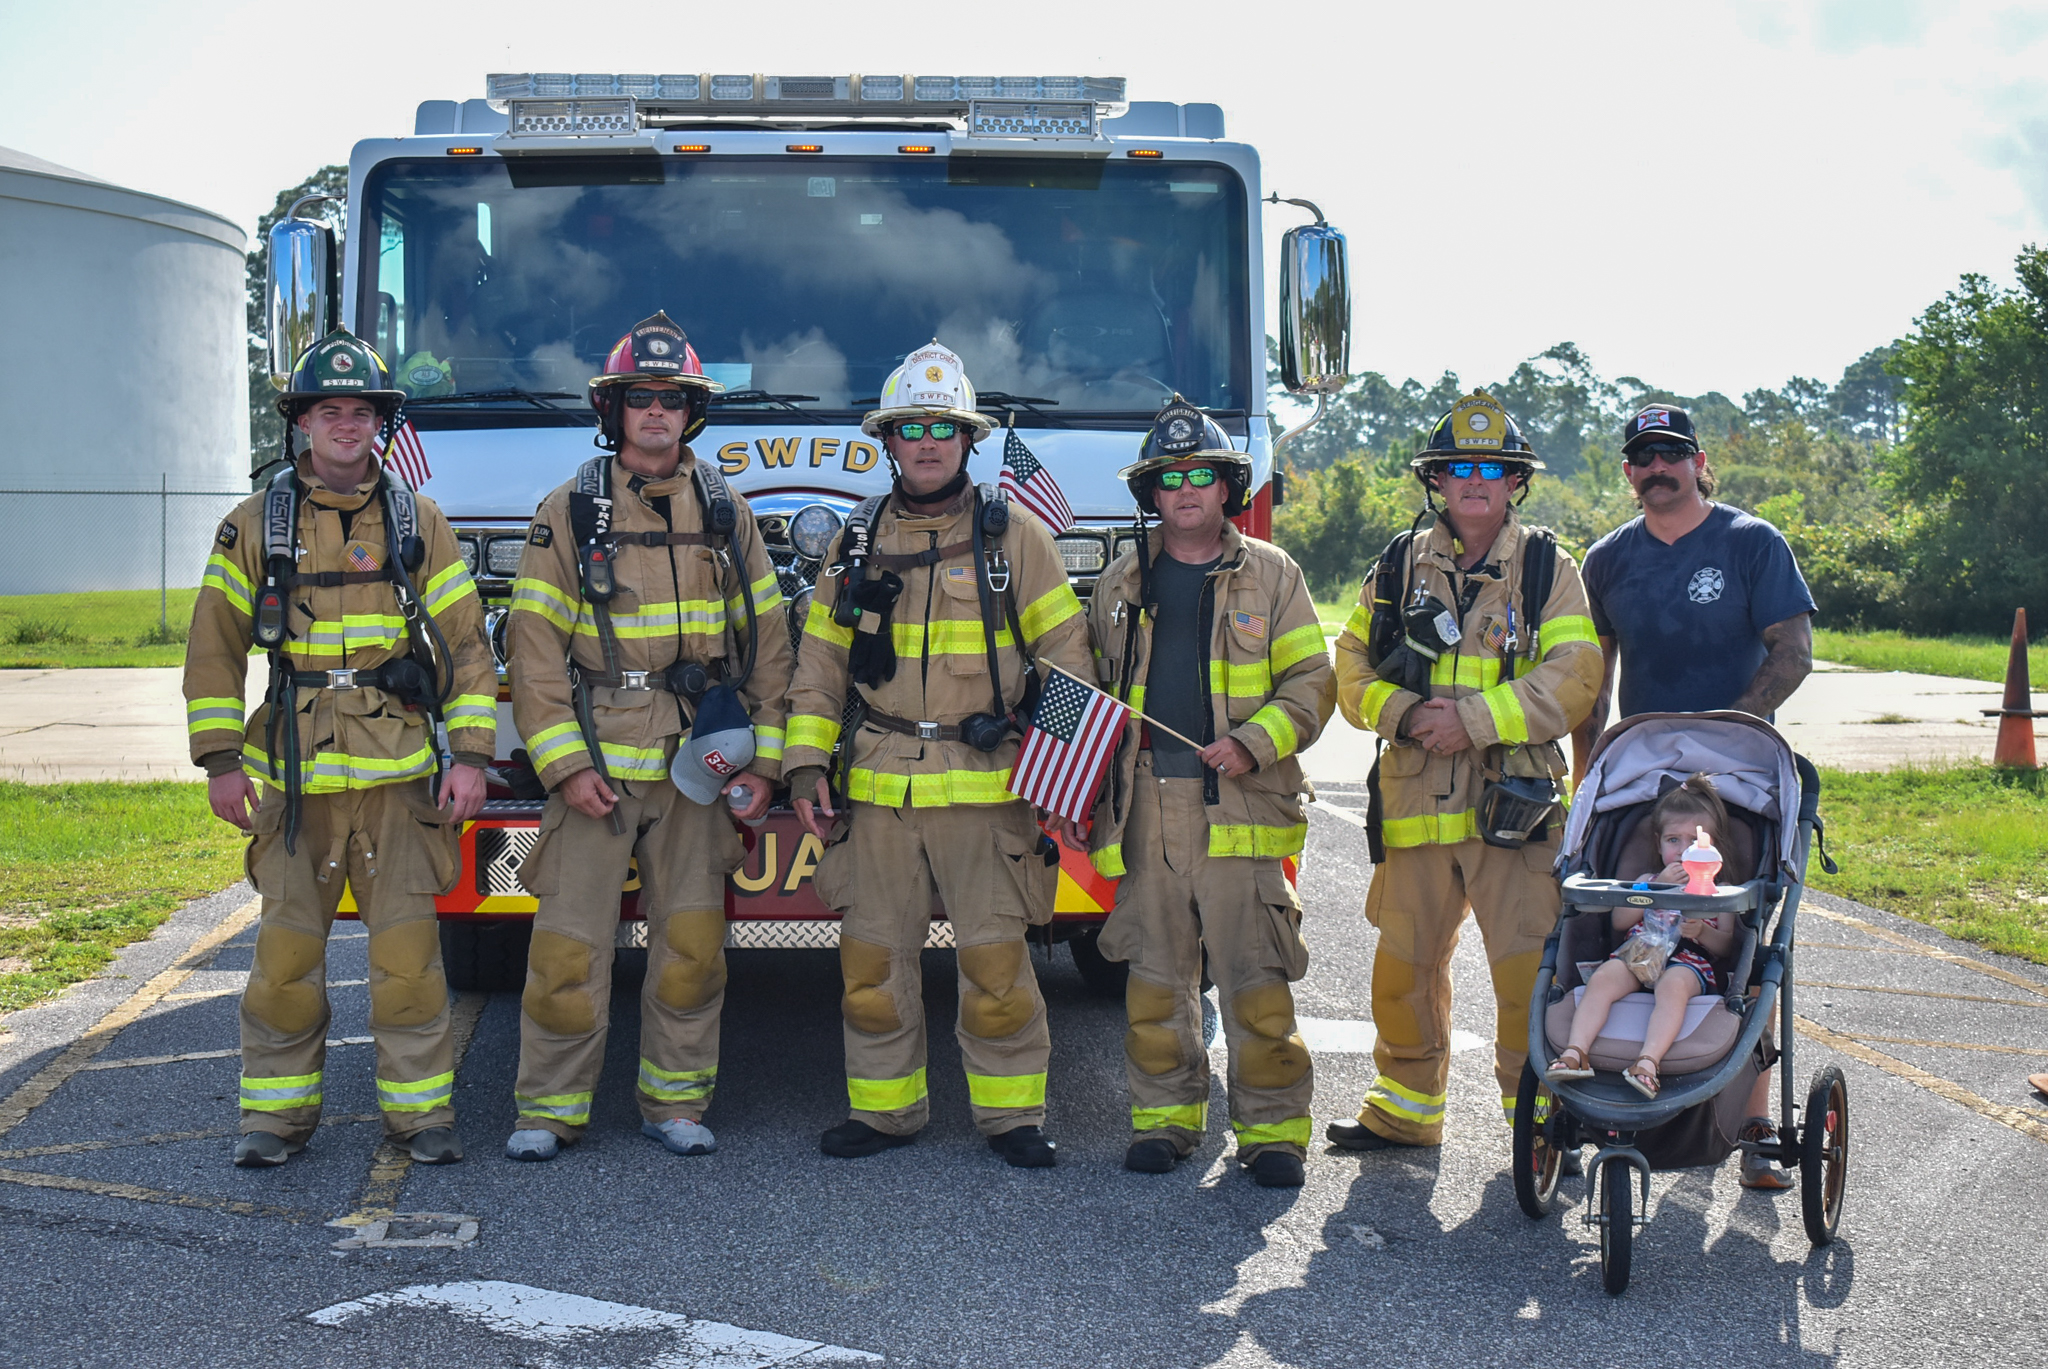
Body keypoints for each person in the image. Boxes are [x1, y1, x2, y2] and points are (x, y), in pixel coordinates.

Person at [186, 328, 497, 1168]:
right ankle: (275, 1120)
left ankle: (421, 1117)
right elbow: (213, 647)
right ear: (302, 422)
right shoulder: (254, 524)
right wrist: (219, 761)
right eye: (331, 410)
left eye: (362, 411)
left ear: (380, 424)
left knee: (408, 959)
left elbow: (469, 645)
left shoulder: (414, 519)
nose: (347, 426)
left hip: (400, 782)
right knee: (286, 958)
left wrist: (469, 755)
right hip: (295, 779)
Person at [782, 341, 1092, 1167]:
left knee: (995, 964)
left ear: (967, 439)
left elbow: (1067, 655)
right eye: (911, 427)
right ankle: (885, 1112)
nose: (926, 442)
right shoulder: (854, 539)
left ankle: (1013, 1117)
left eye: (942, 427)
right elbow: (819, 665)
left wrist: (1059, 774)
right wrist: (807, 767)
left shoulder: (1013, 536)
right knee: (872, 965)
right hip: (880, 791)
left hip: (990, 792)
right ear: (888, 440)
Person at [502, 312, 792, 1163]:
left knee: (693, 947)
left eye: (671, 399)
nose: (656, 413)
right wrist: (562, 767)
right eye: (641, 398)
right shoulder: (570, 512)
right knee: (567, 949)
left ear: (689, 412)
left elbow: (769, 647)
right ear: (615, 410)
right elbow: (532, 650)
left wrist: (763, 764)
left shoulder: (724, 511)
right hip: (596, 767)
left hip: (697, 769)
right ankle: (548, 1110)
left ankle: (676, 1101)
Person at [1329, 391, 1602, 1152]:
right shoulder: (1396, 563)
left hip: (1513, 811)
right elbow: (1347, 665)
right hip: (1416, 805)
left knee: (1527, 978)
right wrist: (1408, 716)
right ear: (1437, 483)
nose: (1474, 480)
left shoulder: (1549, 567)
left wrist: (1473, 721)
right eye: (1457, 468)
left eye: (1491, 467)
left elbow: (1577, 673)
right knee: (1401, 972)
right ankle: (1404, 1112)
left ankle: (1538, 1127)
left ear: (1515, 481)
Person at [1072, 398, 1334, 1187]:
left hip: (1241, 807)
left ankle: (1274, 1134)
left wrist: (1254, 743)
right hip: (1146, 807)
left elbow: (1312, 684)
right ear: (1151, 494)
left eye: (1200, 476)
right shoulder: (1121, 581)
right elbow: (1090, 690)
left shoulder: (1274, 573)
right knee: (1155, 979)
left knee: (1256, 984)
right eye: (1169, 479)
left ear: (1227, 487)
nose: (1185, 491)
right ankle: (1165, 1120)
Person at [1572, 401, 1815, 1189]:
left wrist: (1728, 731)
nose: (1657, 467)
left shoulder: (1750, 543)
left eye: (1671, 453)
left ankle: (1751, 1120)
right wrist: (1588, 771)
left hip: (1740, 782)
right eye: (1642, 456)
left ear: (1698, 460)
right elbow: (1593, 676)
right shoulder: (1608, 558)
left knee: (1745, 948)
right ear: (1628, 470)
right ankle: (1617, 1080)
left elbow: (1794, 651)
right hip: (1644, 781)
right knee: (1626, 925)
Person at [1546, 775, 1736, 1099]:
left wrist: (1703, 930)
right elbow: (1620, 921)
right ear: (1659, 843)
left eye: (1694, 842)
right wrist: (1656, 888)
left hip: (1688, 963)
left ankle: (1648, 1063)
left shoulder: (1720, 894)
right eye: (1673, 840)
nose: (1682, 851)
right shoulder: (1647, 880)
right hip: (1640, 952)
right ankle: (1575, 1052)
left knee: (1673, 987)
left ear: (1713, 850)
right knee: (1604, 978)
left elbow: (1727, 945)